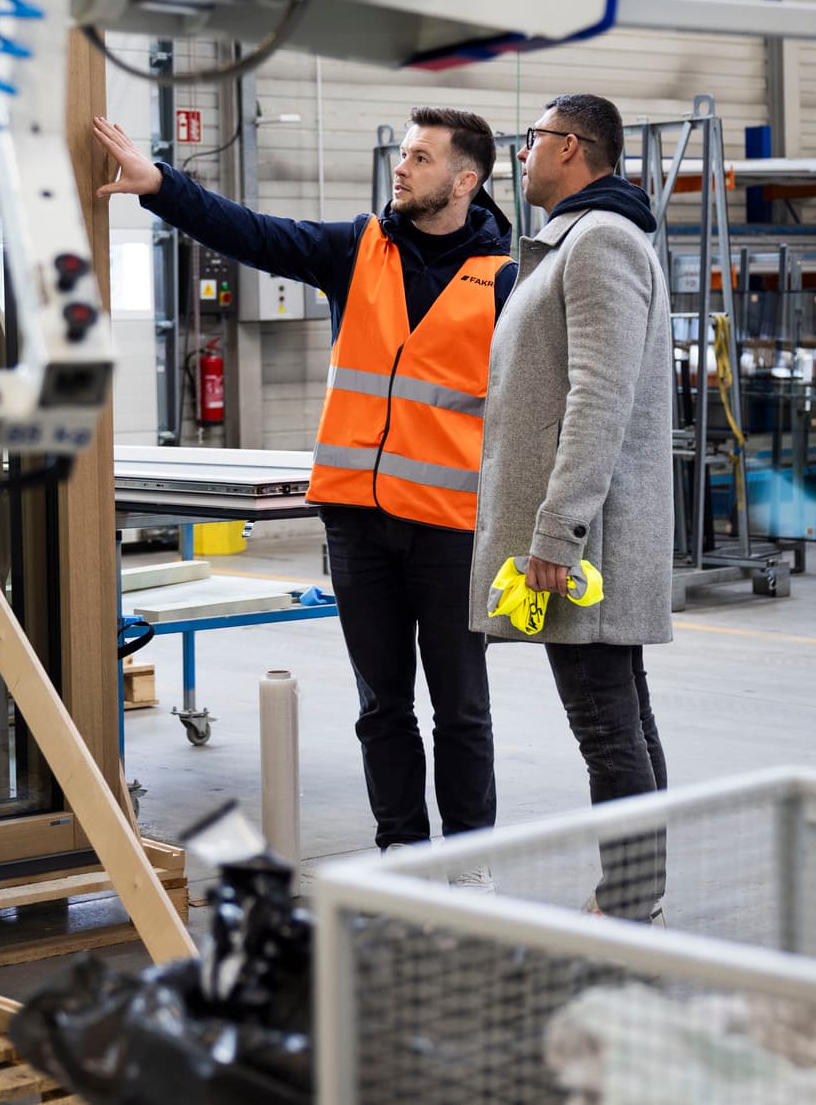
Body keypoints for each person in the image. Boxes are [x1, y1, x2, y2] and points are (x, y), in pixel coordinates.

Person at [94, 106, 515, 862]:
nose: (401, 166)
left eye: (420, 157)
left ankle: (467, 861)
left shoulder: (505, 281)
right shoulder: (358, 249)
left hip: (451, 527)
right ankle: (400, 849)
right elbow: (253, 233)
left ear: (464, 181)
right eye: (403, 153)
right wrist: (160, 185)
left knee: (460, 708)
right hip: (355, 523)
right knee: (381, 705)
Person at [469, 93, 673, 920]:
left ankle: (628, 905)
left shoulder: (599, 242)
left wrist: (558, 531)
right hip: (588, 530)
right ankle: (636, 894)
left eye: (532, 139)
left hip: (588, 540)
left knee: (606, 726)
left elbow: (598, 397)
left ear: (572, 147)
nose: (521, 154)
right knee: (622, 717)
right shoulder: (575, 239)